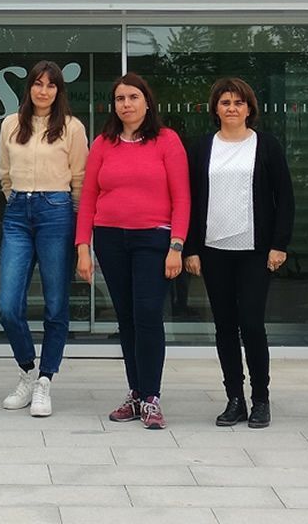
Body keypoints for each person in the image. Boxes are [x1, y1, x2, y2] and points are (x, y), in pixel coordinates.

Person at [75, 73, 189, 430]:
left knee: (148, 315)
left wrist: (176, 246)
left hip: (154, 240)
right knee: (126, 318)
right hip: (110, 240)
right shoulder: (103, 143)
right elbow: (88, 197)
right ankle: (136, 393)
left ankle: (152, 397)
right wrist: (83, 247)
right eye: (120, 98)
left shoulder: (167, 140)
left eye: (133, 97)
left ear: (147, 102)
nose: (126, 104)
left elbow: (182, 197)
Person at [184, 78, 294, 430]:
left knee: (252, 324)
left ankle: (261, 398)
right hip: (213, 250)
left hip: (254, 251)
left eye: (238, 102)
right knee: (224, 327)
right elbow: (190, 199)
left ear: (249, 108)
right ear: (215, 109)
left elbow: (285, 197)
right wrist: (191, 248)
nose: (232, 108)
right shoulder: (202, 148)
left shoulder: (266, 145)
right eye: (225, 102)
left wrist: (279, 244)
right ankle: (235, 398)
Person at [0, 61, 88, 417]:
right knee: (8, 305)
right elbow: (4, 172)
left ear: (58, 90)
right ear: (29, 88)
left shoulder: (71, 127)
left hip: (57, 211)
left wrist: (77, 227)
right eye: (38, 83)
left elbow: (79, 179)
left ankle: (45, 379)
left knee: (55, 304)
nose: (43, 91)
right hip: (18, 211)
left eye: (51, 85)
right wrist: (18, 200)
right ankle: (27, 370)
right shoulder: (10, 124)